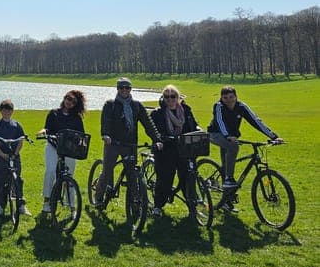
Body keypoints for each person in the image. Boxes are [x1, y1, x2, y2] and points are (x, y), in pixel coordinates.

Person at [207, 85, 283, 208]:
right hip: (215, 135)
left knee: (227, 163)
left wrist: (274, 137)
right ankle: (229, 178)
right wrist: (227, 136)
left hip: (230, 137)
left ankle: (227, 200)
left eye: (231, 97)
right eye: (225, 98)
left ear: (236, 97)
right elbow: (220, 122)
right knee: (233, 147)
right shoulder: (218, 106)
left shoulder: (242, 107)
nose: (229, 100)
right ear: (221, 98)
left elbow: (256, 121)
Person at [95, 78, 162, 205]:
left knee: (132, 173)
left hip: (130, 144)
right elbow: (106, 122)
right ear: (117, 89)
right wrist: (105, 135)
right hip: (113, 144)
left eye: (127, 88)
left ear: (130, 89)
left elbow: (148, 124)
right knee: (107, 170)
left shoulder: (137, 105)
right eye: (121, 88)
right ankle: (98, 197)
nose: (124, 90)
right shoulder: (110, 104)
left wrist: (157, 139)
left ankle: (135, 202)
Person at [149, 85, 200, 217]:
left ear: (178, 97)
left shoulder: (186, 110)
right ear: (163, 98)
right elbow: (153, 131)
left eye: (173, 96)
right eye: (167, 96)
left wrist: (199, 131)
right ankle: (158, 206)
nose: (170, 99)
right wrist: (160, 139)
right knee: (165, 179)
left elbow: (193, 125)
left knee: (188, 178)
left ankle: (192, 206)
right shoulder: (157, 113)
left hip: (184, 149)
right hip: (166, 150)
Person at [38, 90, 86, 215]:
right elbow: (47, 127)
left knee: (69, 177)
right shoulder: (54, 113)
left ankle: (72, 207)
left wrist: (81, 142)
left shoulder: (76, 118)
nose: (69, 102)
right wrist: (43, 131)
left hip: (69, 150)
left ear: (76, 104)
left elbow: (81, 133)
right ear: (64, 99)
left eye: (73, 101)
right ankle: (47, 201)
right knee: (50, 171)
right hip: (53, 146)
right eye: (68, 99)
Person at [0, 99, 31, 217]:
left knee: (17, 180)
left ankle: (21, 204)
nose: (7, 113)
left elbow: (20, 140)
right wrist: (2, 154)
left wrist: (15, 154)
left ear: (12, 111)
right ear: (1, 111)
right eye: (4, 110)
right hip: (0, 157)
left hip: (14, 156)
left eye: (9, 110)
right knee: (0, 180)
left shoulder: (17, 125)